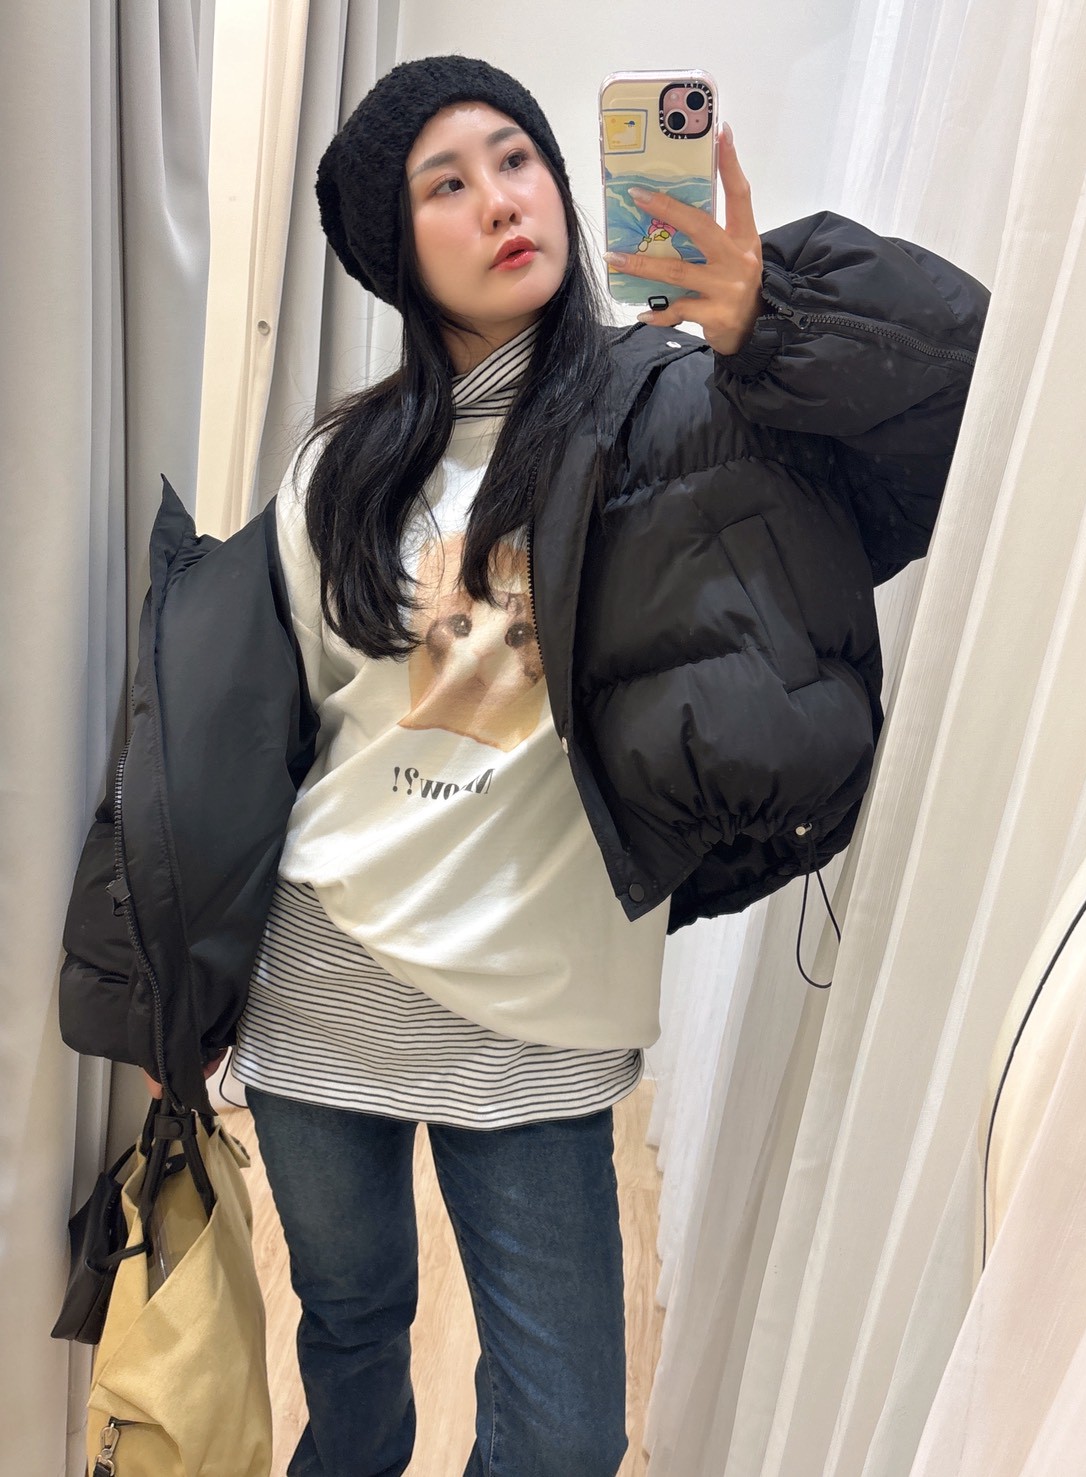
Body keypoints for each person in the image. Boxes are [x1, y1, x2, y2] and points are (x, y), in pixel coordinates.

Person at [59, 52, 990, 1477]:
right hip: (320, 988)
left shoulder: (684, 407)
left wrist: (773, 321)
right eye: (448, 182)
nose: (502, 199)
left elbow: (967, 408)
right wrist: (176, 995)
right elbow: (265, 739)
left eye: (517, 158)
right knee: (352, 1334)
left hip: (539, 1018)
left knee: (562, 1436)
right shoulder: (340, 467)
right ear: (398, 249)